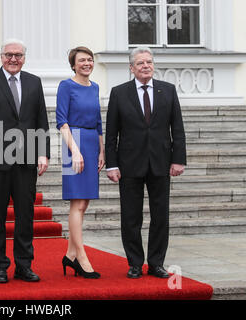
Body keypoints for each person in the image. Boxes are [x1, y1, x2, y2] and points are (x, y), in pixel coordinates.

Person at [0, 39, 50, 283]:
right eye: (9, 55)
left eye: (18, 55)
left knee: (25, 216)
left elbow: (41, 120)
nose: (13, 59)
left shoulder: (34, 82)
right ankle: (0, 266)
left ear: (24, 58)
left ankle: (24, 265)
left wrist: (42, 152)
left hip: (26, 161)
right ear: (1, 56)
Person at [105, 47, 187, 279]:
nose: (145, 66)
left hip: (161, 163)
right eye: (140, 63)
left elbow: (177, 129)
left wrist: (178, 159)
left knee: (160, 216)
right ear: (131, 68)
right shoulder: (119, 93)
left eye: (149, 62)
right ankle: (134, 263)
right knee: (131, 217)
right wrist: (112, 164)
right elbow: (112, 132)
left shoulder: (168, 91)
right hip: (129, 164)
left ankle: (156, 263)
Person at [56, 47, 105, 279]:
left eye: (90, 59)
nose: (87, 63)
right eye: (82, 60)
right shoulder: (66, 86)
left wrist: (101, 151)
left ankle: (70, 255)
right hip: (73, 142)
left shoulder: (94, 87)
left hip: (91, 143)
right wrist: (74, 151)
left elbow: (98, 122)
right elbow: (61, 121)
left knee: (84, 204)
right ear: (73, 65)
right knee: (76, 203)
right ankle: (82, 257)